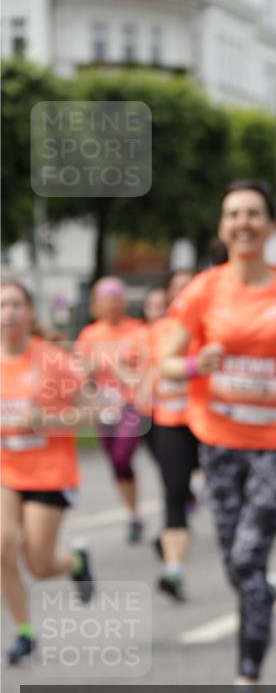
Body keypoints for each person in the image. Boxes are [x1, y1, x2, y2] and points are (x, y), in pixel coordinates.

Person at [162, 180, 276, 693]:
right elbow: (166, 361)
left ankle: (245, 680)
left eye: (254, 214)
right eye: (234, 214)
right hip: (220, 441)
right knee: (236, 564)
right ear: (222, 227)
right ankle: (261, 599)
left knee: (249, 558)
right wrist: (191, 363)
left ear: (271, 225)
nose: (244, 223)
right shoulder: (203, 290)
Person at [1, 281, 95, 665]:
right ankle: (24, 630)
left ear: (30, 313)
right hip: (5, 470)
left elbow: (96, 412)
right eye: (1, 305)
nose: (8, 313)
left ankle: (75, 562)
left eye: (16, 305)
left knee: (38, 564)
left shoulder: (53, 360)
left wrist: (49, 420)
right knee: (2, 545)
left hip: (49, 473)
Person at [76, 277, 147, 543]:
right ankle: (133, 514)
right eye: (106, 300)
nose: (112, 305)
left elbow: (145, 368)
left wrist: (122, 369)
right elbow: (80, 373)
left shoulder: (138, 330)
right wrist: (94, 366)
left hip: (131, 403)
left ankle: (134, 511)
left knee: (123, 454)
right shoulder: (90, 335)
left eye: (116, 299)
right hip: (104, 406)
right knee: (116, 464)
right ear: (97, 304)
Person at [144, 270, 199, 601]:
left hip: (208, 422)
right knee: (174, 491)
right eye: (176, 289)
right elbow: (151, 368)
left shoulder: (211, 324)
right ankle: (173, 569)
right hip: (168, 420)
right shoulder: (159, 330)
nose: (182, 294)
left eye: (188, 288)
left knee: (204, 487)